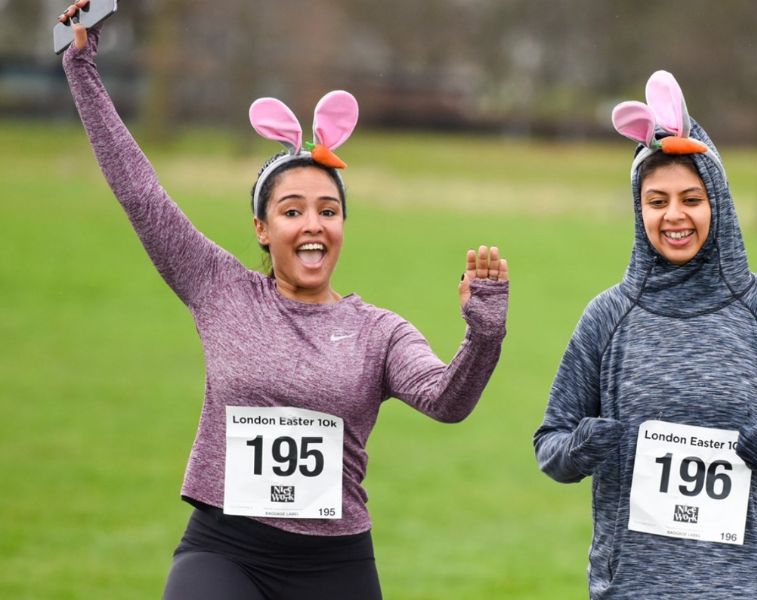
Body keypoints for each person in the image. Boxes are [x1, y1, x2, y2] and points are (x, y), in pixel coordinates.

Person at [58, 4, 509, 599]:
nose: (312, 224)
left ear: (344, 225)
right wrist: (81, 67)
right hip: (226, 550)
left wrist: (484, 335)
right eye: (292, 210)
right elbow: (140, 193)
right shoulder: (219, 288)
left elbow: (446, 401)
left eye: (328, 210)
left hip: (335, 564)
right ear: (263, 229)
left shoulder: (380, 331)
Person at [533, 70, 757, 599]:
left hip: (746, 585)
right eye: (657, 201)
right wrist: (582, 448)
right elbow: (550, 446)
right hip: (630, 586)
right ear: (640, 211)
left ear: (717, 204)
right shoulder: (607, 318)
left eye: (691, 199)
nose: (674, 216)